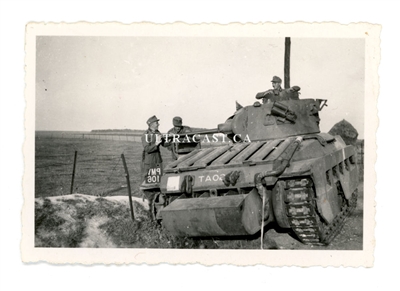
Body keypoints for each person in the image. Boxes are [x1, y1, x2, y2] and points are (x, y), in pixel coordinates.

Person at [140, 115, 167, 220]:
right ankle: (149, 204)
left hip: (157, 160)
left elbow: (165, 144)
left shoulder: (158, 133)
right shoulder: (145, 135)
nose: (158, 124)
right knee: (150, 182)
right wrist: (156, 143)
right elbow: (147, 149)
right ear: (151, 124)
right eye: (156, 123)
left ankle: (157, 201)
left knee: (158, 181)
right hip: (150, 161)